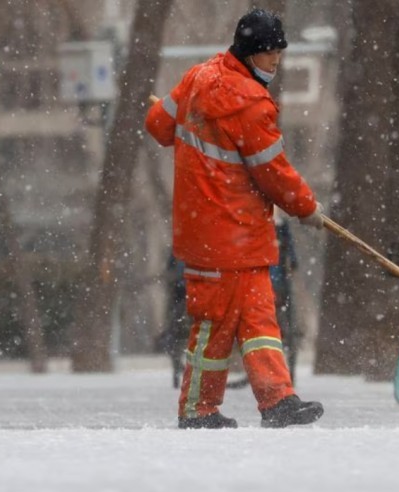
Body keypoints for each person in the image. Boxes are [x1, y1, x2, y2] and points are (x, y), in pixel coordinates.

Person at [145, 8, 324, 429]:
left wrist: (181, 117)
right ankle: (197, 408)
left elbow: (158, 125)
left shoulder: (197, 77)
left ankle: (278, 400)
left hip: (223, 233)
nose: (276, 61)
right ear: (248, 53)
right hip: (227, 234)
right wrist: (306, 208)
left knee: (259, 318)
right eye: (269, 53)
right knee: (214, 325)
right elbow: (273, 171)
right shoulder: (252, 104)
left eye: (279, 52)